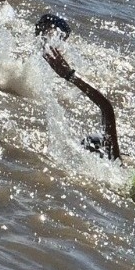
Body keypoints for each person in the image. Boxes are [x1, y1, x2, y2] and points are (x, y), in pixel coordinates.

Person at [37, 14, 122, 161]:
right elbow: (106, 107)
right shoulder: (116, 161)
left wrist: (70, 75)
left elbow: (106, 107)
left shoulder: (114, 160)